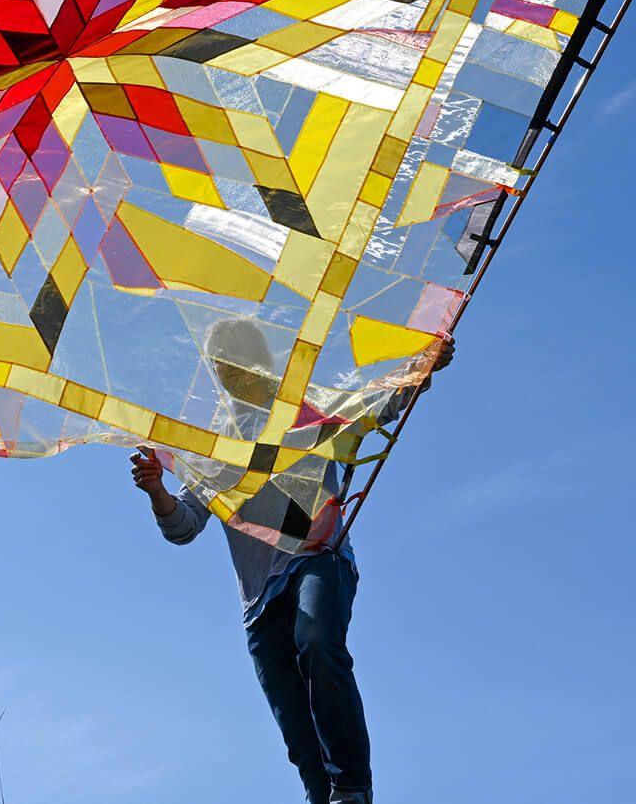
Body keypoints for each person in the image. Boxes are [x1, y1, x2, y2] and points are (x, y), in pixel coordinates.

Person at [130, 322, 454, 804]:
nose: (237, 374)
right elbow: (183, 527)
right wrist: (157, 490)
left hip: (317, 561)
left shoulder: (306, 416)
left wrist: (421, 367)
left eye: (245, 361)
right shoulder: (217, 449)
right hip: (260, 602)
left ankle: (351, 787)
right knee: (295, 727)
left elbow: (374, 405)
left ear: (264, 364)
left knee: (319, 643)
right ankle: (321, 795)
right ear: (219, 376)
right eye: (226, 366)